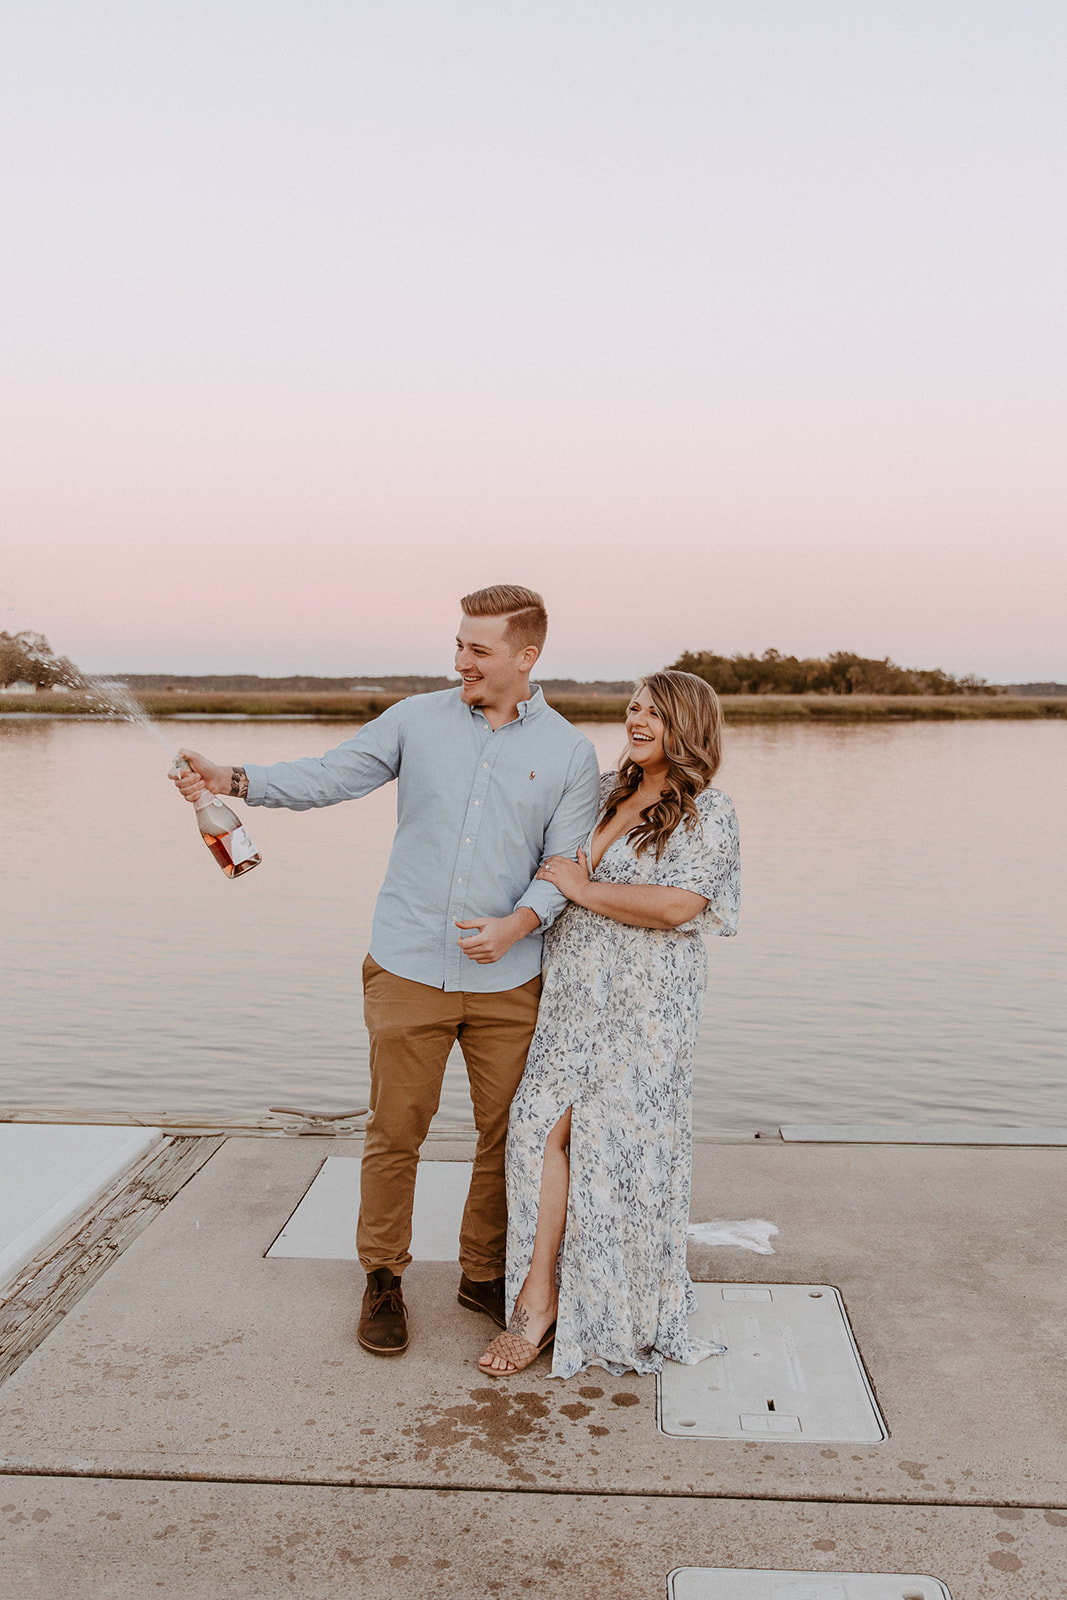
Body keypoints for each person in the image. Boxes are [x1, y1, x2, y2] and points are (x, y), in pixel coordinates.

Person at [169, 585, 600, 1357]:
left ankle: (481, 1274)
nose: (460, 659)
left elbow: (563, 863)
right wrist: (230, 778)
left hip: (510, 979)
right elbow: (328, 777)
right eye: (458, 643)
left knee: (510, 1137)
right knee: (395, 1131)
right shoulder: (415, 719)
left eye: (478, 649)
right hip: (405, 966)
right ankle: (383, 1280)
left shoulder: (569, 751)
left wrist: (516, 924)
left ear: (525, 656)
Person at [478, 670, 740, 1379]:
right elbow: (538, 851)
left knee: (616, 1147)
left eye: (654, 711)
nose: (637, 718)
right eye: (632, 707)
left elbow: (678, 907)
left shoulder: (707, 813)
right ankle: (543, 1290)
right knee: (537, 1128)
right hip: (572, 993)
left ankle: (572, 1304)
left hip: (646, 1005)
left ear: (686, 724)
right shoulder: (600, 791)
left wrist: (584, 888)